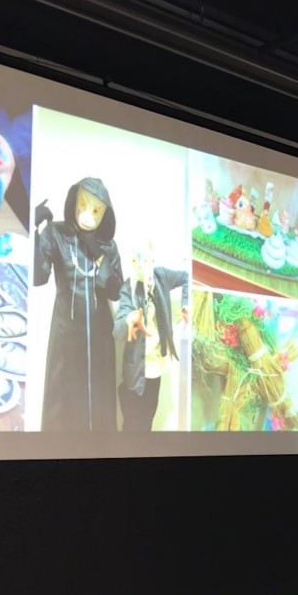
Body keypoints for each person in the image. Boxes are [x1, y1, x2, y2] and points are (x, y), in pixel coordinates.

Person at [33, 177, 123, 431]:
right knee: (62, 402)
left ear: (105, 213)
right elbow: (38, 277)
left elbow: (116, 292)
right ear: (74, 200)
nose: (88, 214)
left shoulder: (108, 247)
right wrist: (34, 230)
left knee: (99, 401)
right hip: (66, 333)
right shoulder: (56, 234)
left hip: (100, 336)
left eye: (96, 210)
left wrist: (98, 253)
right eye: (84, 204)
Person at [114, 243, 189, 431]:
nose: (142, 265)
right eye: (137, 260)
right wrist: (130, 319)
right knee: (132, 424)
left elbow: (186, 277)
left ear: (152, 259)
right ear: (132, 262)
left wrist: (186, 304)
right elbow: (118, 329)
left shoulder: (161, 276)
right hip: (135, 371)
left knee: (148, 419)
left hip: (156, 367)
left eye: (146, 259)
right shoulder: (128, 289)